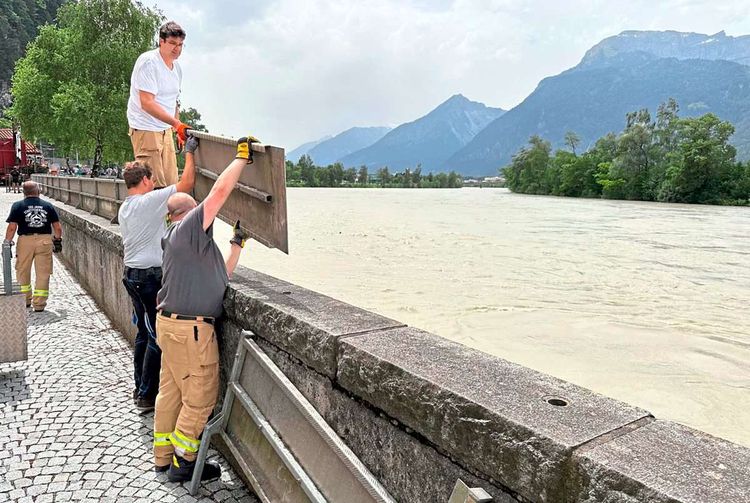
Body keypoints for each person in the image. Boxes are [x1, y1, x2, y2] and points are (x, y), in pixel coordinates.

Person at [153, 135, 255, 482]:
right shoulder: (187, 230)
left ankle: (163, 456)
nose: (206, 217)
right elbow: (218, 195)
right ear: (186, 213)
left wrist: (237, 245)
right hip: (190, 331)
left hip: (170, 326)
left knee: (171, 392)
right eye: (199, 211)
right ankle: (184, 463)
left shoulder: (177, 242)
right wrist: (242, 157)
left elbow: (218, 277)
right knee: (200, 395)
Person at [119, 136, 199, 414]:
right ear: (144, 181)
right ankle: (145, 395)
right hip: (148, 279)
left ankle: (139, 385)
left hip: (132, 275)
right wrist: (189, 153)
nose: (154, 185)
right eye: (151, 181)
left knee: (143, 331)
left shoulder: (126, 207)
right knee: (156, 337)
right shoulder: (148, 201)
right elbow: (186, 185)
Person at [127, 21, 190, 189]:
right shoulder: (149, 63)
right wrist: (176, 123)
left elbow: (174, 100)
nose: (177, 49)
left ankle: (170, 215)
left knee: (172, 185)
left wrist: (177, 128)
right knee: (153, 186)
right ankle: (153, 216)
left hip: (165, 130)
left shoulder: (176, 68)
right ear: (161, 41)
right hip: (146, 128)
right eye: (172, 43)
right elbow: (147, 103)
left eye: (180, 45)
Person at [4, 181, 62, 311]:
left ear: (24, 192)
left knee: (22, 270)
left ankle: (25, 300)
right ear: (38, 191)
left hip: (25, 241)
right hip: (44, 241)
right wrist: (57, 239)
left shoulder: (17, 206)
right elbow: (57, 228)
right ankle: (39, 304)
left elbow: (12, 228)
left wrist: (7, 242)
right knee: (43, 272)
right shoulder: (48, 206)